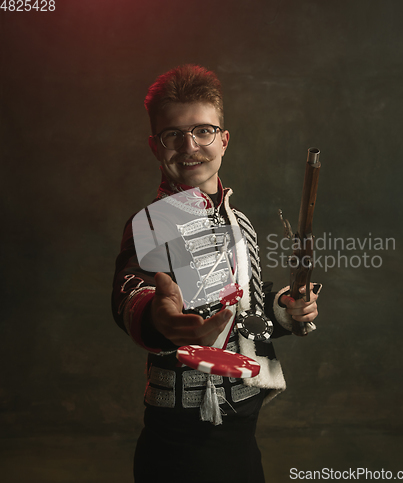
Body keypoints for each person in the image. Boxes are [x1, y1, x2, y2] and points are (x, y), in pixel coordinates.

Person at [111, 64, 320, 483]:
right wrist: (159, 317)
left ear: (223, 140)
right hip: (181, 436)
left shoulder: (239, 222)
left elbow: (247, 314)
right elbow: (129, 291)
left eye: (203, 131)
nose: (189, 145)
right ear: (156, 146)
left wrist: (283, 310)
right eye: (174, 134)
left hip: (243, 423)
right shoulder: (152, 223)